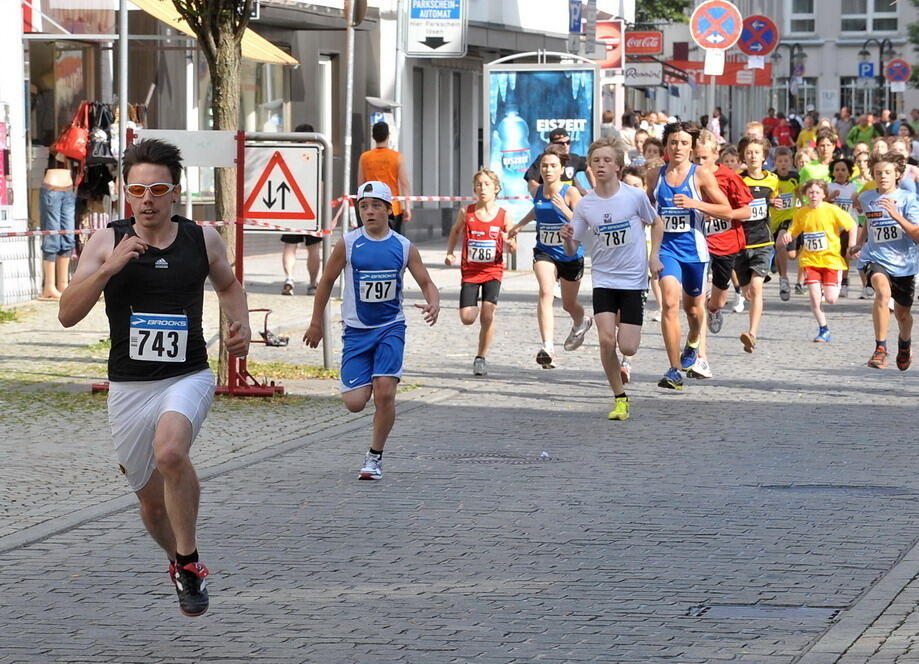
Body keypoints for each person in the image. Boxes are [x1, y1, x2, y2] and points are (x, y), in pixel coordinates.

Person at [57, 138, 252, 617]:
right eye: (137, 190)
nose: (147, 200)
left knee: (171, 452)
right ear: (127, 192)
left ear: (175, 192)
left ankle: (189, 560)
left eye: (158, 189)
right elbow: (67, 313)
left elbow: (229, 286)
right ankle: (178, 562)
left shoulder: (202, 239)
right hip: (128, 386)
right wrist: (111, 267)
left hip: (187, 375)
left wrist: (240, 327)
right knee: (151, 506)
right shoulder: (106, 240)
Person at [303, 181, 439, 479]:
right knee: (354, 403)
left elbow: (426, 282)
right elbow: (325, 281)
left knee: (385, 393)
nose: (369, 211)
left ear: (389, 211)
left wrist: (433, 302)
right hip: (356, 331)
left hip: (391, 327)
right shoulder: (349, 244)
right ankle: (371, 439)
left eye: (376, 205)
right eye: (364, 206)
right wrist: (316, 323)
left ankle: (374, 457)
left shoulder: (403, 247)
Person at [561, 137, 663, 419]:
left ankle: (623, 362)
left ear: (618, 166)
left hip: (633, 281)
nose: (601, 165)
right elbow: (574, 247)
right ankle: (620, 398)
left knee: (627, 346)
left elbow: (657, 222)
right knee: (607, 342)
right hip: (604, 279)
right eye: (596, 161)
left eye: (607, 160)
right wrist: (568, 240)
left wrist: (654, 256)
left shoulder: (634, 196)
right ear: (590, 167)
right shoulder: (585, 205)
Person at [646, 122, 731, 389]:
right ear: (666, 146)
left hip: (694, 251)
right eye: (673, 142)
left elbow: (726, 209)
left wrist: (696, 203)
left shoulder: (701, 175)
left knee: (693, 310)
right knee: (669, 303)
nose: (678, 147)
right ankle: (674, 369)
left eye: (684, 143)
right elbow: (647, 206)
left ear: (692, 147)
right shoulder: (654, 175)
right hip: (666, 249)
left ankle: (693, 343)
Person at [509, 144, 590, 369]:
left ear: (562, 168)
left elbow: (586, 222)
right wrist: (519, 225)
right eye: (544, 166)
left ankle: (581, 322)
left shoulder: (570, 192)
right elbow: (537, 209)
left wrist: (565, 210)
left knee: (568, 304)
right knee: (545, 292)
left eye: (553, 166)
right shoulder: (537, 191)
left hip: (570, 253)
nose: (548, 170)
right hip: (544, 250)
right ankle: (548, 348)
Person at [444, 169, 514, 376]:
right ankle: (477, 314)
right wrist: (450, 253)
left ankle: (481, 357)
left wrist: (510, 243)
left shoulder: (504, 215)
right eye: (478, 185)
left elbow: (512, 241)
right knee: (467, 318)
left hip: (493, 270)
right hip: (470, 272)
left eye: (486, 184)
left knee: (487, 316)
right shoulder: (467, 212)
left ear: (496, 188)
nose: (482, 188)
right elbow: (455, 230)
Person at [852, 153, 919, 370]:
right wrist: (860, 244)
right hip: (876, 257)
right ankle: (880, 349)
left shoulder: (908, 198)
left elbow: (917, 235)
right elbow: (868, 223)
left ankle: (904, 343)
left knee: (903, 314)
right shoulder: (867, 197)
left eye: (888, 172)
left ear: (898, 175)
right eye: (878, 173)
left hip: (904, 263)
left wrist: (896, 214)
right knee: (883, 292)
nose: (883, 176)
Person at [692, 130, 753, 359]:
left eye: (704, 158)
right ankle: (698, 352)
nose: (700, 163)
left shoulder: (729, 177)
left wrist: (722, 215)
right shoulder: (688, 176)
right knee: (694, 296)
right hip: (698, 242)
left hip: (726, 243)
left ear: (715, 154)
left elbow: (746, 210)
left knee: (719, 298)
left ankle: (714, 308)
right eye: (696, 158)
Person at [778, 179, 855, 342]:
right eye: (810, 192)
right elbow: (794, 230)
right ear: (806, 194)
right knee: (813, 296)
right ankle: (823, 329)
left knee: (831, 299)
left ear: (823, 194)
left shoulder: (832, 210)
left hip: (830, 261)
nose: (813, 195)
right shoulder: (801, 212)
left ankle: (835, 284)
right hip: (810, 260)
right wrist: (788, 235)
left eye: (817, 192)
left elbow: (851, 225)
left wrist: (852, 245)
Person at [737, 136, 782, 353]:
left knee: (756, 287)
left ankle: (752, 333)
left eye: (757, 152)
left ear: (764, 156)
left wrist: (775, 203)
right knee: (747, 292)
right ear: (743, 157)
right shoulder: (738, 179)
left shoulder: (772, 179)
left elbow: (775, 199)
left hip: (763, 240)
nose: (753, 156)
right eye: (748, 152)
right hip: (740, 241)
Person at [280, 123, 321, 296]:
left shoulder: (288, 157)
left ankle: (289, 278)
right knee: (313, 248)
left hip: (291, 206)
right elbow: (321, 184)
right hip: (311, 207)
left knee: (290, 245)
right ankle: (312, 285)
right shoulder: (316, 156)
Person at [357, 121, 412, 233]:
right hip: (392, 207)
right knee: (392, 241)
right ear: (388, 135)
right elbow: (404, 183)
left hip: (370, 207)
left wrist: (362, 206)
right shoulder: (397, 157)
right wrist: (407, 207)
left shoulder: (365, 157)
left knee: (372, 239)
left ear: (373, 136)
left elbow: (361, 184)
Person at [39, 161, 76, 300]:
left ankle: (63, 284)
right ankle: (49, 286)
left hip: (68, 188)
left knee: (68, 236)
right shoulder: (59, 142)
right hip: (52, 187)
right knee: (52, 235)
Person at [525, 127, 594, 196]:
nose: (565, 146)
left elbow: (588, 167)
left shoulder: (574, 158)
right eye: (561, 143)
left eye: (568, 142)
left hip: (569, 200)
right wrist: (542, 196)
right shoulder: (544, 159)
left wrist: (595, 190)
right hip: (551, 199)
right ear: (551, 144)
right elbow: (532, 181)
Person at [770, 147, 799, 301]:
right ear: (775, 162)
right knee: (784, 250)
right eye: (780, 161)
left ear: (791, 162)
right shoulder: (771, 178)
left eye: (786, 161)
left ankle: (784, 279)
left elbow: (801, 194)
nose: (783, 164)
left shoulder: (795, 177)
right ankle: (777, 263)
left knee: (789, 252)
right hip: (772, 220)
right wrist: (772, 201)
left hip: (789, 219)